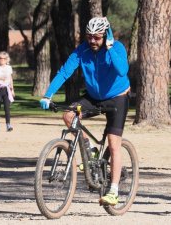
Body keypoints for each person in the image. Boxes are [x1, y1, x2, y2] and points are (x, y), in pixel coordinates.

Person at [40, 17, 130, 206]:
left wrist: (111, 46)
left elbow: (122, 70)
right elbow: (65, 71)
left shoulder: (116, 47)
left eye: (97, 37)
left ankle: (113, 191)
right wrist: (48, 96)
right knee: (69, 115)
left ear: (105, 35)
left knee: (114, 144)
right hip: (93, 96)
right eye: (89, 37)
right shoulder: (82, 50)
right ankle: (90, 151)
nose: (92, 41)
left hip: (117, 97)